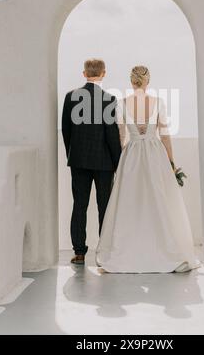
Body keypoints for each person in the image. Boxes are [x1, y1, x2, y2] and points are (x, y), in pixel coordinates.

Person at [96, 65, 199, 273]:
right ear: (147, 81)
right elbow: (165, 136)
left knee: (130, 202)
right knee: (158, 199)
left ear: (131, 82)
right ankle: (164, 249)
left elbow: (121, 136)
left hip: (132, 154)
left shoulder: (123, 104)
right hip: (154, 154)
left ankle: (126, 252)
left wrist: (119, 162)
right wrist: (171, 162)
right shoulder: (158, 102)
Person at [62, 59, 122, 265]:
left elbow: (66, 130)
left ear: (84, 73)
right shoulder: (108, 99)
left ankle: (79, 252)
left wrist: (73, 152)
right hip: (104, 162)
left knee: (79, 205)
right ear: (103, 73)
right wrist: (118, 161)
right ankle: (103, 252)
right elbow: (112, 134)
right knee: (104, 206)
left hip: (78, 160)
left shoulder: (71, 97)